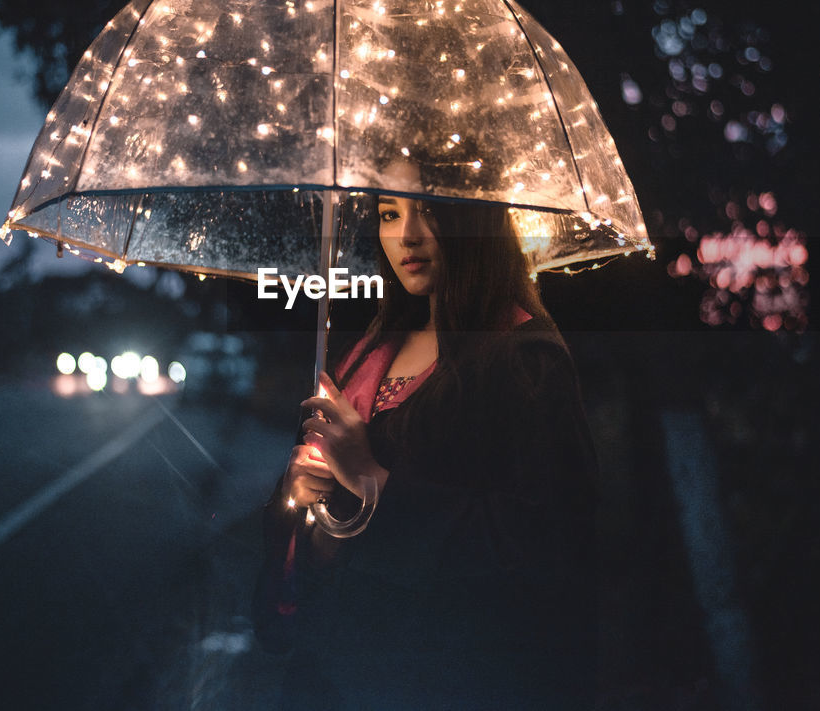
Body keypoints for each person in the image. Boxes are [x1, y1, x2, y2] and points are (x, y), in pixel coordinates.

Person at [254, 182, 601, 710]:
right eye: (389, 213)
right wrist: (299, 493)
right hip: (332, 673)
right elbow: (321, 534)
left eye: (430, 212)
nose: (406, 235)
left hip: (446, 678)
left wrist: (370, 476)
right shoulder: (368, 350)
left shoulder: (525, 358)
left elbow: (546, 542)